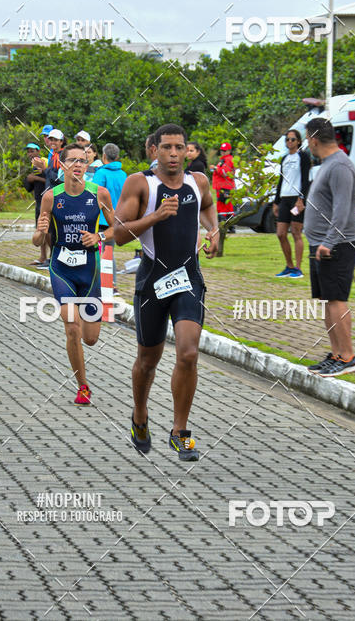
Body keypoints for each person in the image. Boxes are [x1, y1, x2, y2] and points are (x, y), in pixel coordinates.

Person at [114, 123, 219, 461]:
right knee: (148, 361)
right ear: (153, 150)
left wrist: (214, 231)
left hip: (188, 278)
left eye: (179, 147)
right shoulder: (140, 183)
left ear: (188, 150)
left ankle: (180, 431)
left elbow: (207, 205)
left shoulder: (197, 181)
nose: (174, 154)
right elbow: (118, 234)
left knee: (188, 354)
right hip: (152, 281)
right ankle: (140, 416)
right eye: (167, 148)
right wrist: (156, 217)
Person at [33, 142, 115, 405]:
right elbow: (37, 241)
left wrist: (99, 235)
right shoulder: (51, 196)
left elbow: (118, 228)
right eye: (73, 161)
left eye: (83, 161)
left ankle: (80, 348)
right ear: (63, 164)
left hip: (89, 270)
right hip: (61, 267)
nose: (78, 165)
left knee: (90, 339)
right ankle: (83, 386)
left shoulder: (99, 194)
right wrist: (40, 231)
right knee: (71, 328)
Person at [303, 118, 355, 377]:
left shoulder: (340, 166)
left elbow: (343, 210)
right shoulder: (328, 165)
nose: (308, 145)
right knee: (328, 300)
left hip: (337, 244)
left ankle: (348, 356)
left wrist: (329, 241)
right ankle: (337, 354)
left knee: (337, 300)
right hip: (321, 244)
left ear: (314, 140)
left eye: (307, 140)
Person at [272, 129, 311, 279]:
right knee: (281, 233)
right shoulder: (284, 159)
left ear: (299, 141)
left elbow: (305, 179)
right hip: (284, 198)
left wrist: (301, 199)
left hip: (297, 199)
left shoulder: (303, 157)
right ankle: (289, 266)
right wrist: (276, 201)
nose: (290, 142)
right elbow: (281, 180)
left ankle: (298, 268)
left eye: (293, 139)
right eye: (287, 140)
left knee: (296, 232)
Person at [93, 143, 127, 291]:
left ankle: (98, 282)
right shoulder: (123, 174)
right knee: (109, 252)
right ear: (117, 156)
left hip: (100, 220)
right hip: (116, 219)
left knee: (97, 253)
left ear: (104, 156)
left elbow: (94, 194)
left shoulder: (101, 173)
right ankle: (112, 283)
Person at [22, 143, 48, 266]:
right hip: (38, 201)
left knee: (48, 231)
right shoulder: (33, 166)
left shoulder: (45, 162)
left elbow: (51, 180)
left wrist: (36, 179)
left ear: (38, 151)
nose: (30, 154)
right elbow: (30, 186)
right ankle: (42, 257)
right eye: (28, 152)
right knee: (40, 229)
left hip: (47, 200)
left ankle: (50, 257)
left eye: (32, 151)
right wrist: (29, 179)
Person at [211, 142, 236, 227]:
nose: (223, 152)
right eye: (222, 150)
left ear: (229, 151)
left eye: (225, 151)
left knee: (222, 206)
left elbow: (225, 173)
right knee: (228, 207)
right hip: (224, 186)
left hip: (224, 186)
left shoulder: (228, 160)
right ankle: (229, 226)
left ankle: (224, 226)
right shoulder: (224, 159)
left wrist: (215, 168)